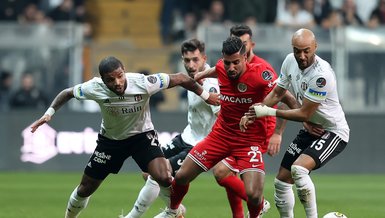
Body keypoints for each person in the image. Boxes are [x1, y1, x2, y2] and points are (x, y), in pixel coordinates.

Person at [30, 56, 219, 218]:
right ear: (103, 80)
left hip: (142, 137)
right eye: (111, 80)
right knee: (85, 188)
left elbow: (181, 78)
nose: (117, 82)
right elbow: (67, 93)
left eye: (120, 76)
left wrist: (205, 95)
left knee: (163, 176)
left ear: (124, 71)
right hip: (111, 142)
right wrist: (49, 113)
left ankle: (174, 211)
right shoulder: (94, 87)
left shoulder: (143, 82)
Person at [155, 36, 296, 218]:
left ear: (245, 57)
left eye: (236, 63)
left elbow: (285, 95)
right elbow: (217, 69)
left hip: (249, 140)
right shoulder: (223, 67)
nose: (231, 68)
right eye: (228, 63)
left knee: (253, 195)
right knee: (182, 176)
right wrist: (201, 75)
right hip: (220, 136)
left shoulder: (262, 74)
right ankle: (173, 211)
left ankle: (254, 214)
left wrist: (305, 116)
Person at [240, 28, 350, 218]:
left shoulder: (321, 76)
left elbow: (304, 113)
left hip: (332, 131)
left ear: (315, 47)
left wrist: (267, 111)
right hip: (311, 129)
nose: (301, 55)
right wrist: (252, 112)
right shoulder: (290, 61)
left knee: (299, 169)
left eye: (306, 50)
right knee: (281, 182)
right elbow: (278, 93)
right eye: (297, 50)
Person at [120, 39, 220, 218]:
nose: (191, 65)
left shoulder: (211, 83)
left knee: (156, 174)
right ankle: (176, 210)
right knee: (148, 170)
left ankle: (134, 216)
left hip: (202, 144)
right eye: (187, 60)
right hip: (187, 136)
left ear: (204, 58)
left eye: (195, 60)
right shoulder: (191, 78)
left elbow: (222, 116)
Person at [211, 24, 283, 218]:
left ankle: (259, 204)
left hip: (257, 133)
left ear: (251, 44)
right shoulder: (229, 67)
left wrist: (277, 132)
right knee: (224, 173)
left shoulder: (264, 70)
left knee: (224, 172)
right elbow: (217, 70)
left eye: (243, 43)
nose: (239, 47)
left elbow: (282, 97)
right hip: (234, 131)